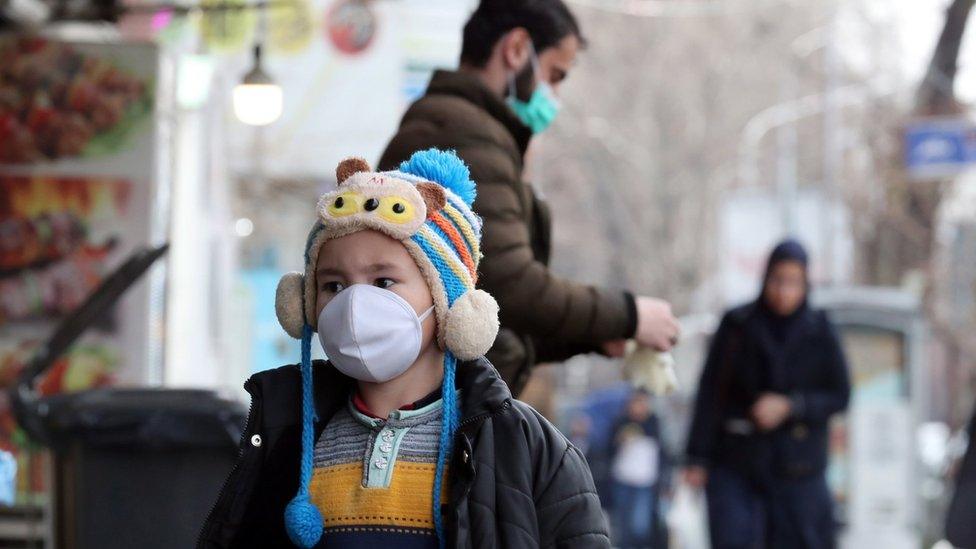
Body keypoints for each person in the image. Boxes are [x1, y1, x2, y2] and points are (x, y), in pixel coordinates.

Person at [197, 149, 609, 548]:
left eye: (383, 282)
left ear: (451, 303)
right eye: (333, 285)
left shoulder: (528, 448)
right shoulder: (284, 438)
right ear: (304, 305)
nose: (354, 304)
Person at [378, 0, 680, 396]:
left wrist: (593, 335)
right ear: (517, 49)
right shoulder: (464, 133)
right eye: (554, 75)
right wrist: (628, 314)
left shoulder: (463, 125)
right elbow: (512, 285)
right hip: (445, 406)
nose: (553, 95)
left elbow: (489, 317)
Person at [684, 239, 851, 549]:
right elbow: (711, 393)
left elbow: (840, 395)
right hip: (737, 464)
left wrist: (791, 406)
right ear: (765, 277)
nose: (783, 291)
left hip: (799, 473)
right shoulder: (737, 325)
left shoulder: (820, 330)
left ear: (805, 283)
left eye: (793, 282)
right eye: (777, 279)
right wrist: (697, 456)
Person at [609, 390, 666, 549]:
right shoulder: (620, 422)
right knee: (623, 524)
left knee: (640, 525)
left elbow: (663, 453)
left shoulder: (654, 424)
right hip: (623, 479)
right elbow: (608, 450)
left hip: (645, 482)